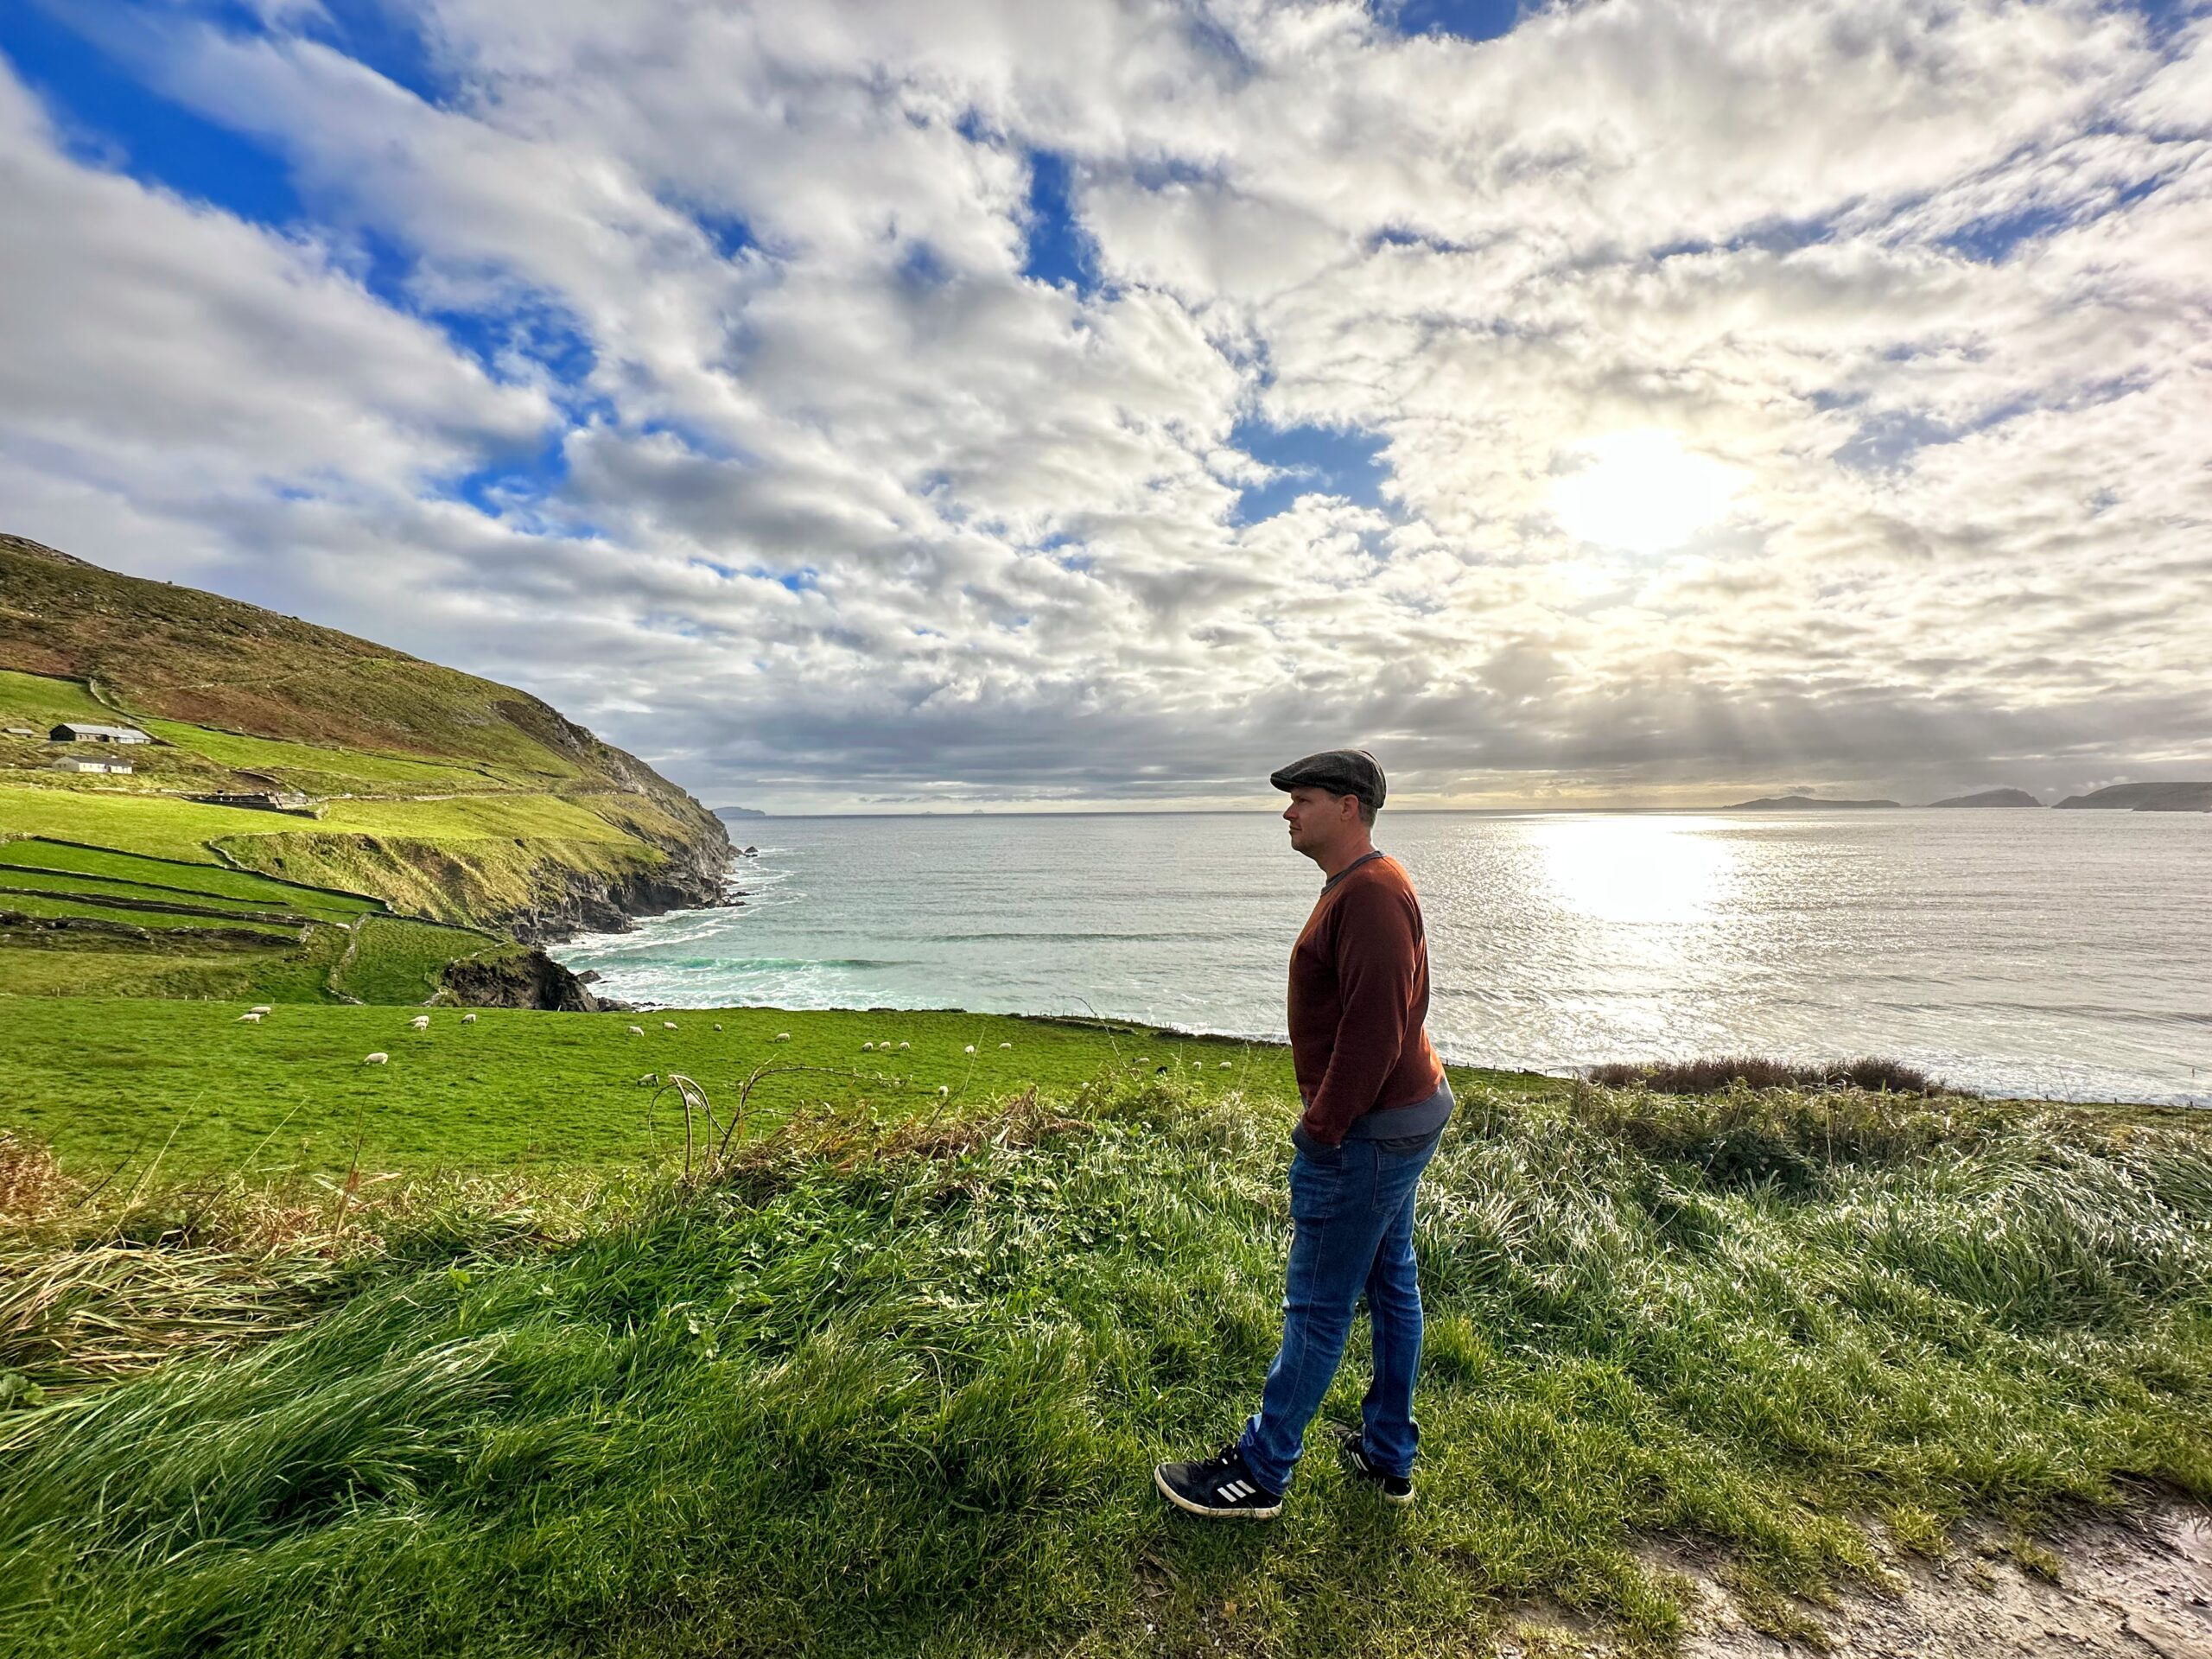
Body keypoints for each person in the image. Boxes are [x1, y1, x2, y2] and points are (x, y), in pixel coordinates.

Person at [1154, 748, 1453, 1520]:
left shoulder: (1372, 896)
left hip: (1369, 1132)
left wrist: (1322, 1130)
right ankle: (1389, 1454)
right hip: (1399, 1117)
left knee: (1319, 1304)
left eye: (1303, 799)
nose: (1288, 812)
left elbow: (1373, 1032)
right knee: (1391, 1282)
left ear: (1349, 807)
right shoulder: (1361, 886)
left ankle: (1260, 1470)